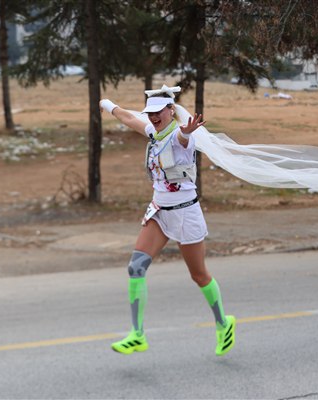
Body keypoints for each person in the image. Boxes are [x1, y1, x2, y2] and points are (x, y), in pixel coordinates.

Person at [100, 85, 236, 356]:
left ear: (171, 111)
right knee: (136, 267)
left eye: (158, 112)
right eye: (150, 113)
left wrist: (187, 132)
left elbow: (183, 139)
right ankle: (137, 335)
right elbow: (128, 118)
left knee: (199, 275)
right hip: (160, 212)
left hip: (185, 213)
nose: (153, 117)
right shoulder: (154, 133)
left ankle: (223, 323)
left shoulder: (179, 137)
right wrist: (107, 104)